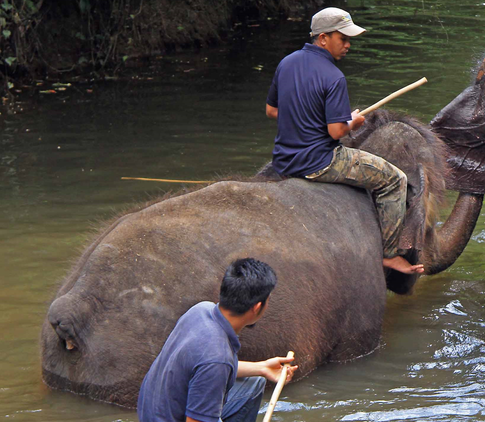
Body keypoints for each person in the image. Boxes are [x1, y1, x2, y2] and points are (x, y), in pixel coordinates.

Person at [265, 7, 424, 275]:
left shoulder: (287, 63)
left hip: (283, 159)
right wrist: (353, 122)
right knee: (395, 180)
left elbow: (272, 111)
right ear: (323, 38)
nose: (348, 45)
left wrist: (306, 116)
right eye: (343, 38)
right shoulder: (333, 76)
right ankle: (389, 254)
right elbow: (336, 133)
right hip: (320, 162)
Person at [137, 258, 298, 422]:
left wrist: (262, 367)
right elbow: (214, 364)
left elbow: (202, 366)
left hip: (151, 412)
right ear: (257, 307)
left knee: (254, 383)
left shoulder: (200, 310)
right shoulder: (217, 357)